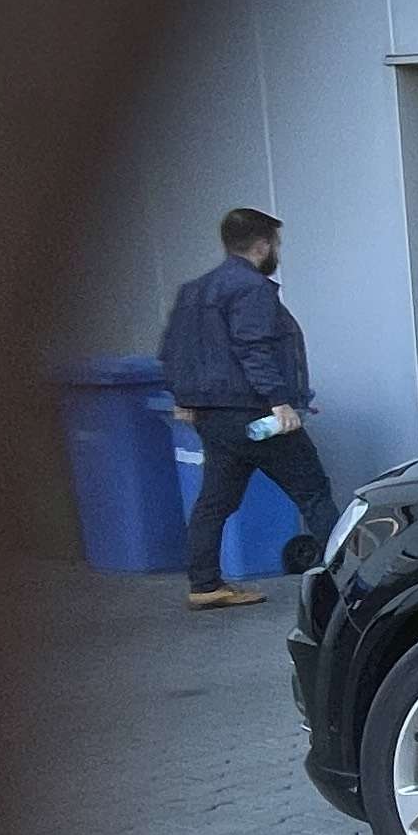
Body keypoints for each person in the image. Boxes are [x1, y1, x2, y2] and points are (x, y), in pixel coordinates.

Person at [159, 204, 339, 610]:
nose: (277, 251)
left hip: (213, 419)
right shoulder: (252, 288)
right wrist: (279, 401)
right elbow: (252, 347)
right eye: (276, 244)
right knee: (313, 492)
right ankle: (348, 582)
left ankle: (205, 584)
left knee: (214, 502)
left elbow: (172, 350)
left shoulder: (194, 291)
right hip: (255, 414)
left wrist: (183, 398)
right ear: (262, 245)